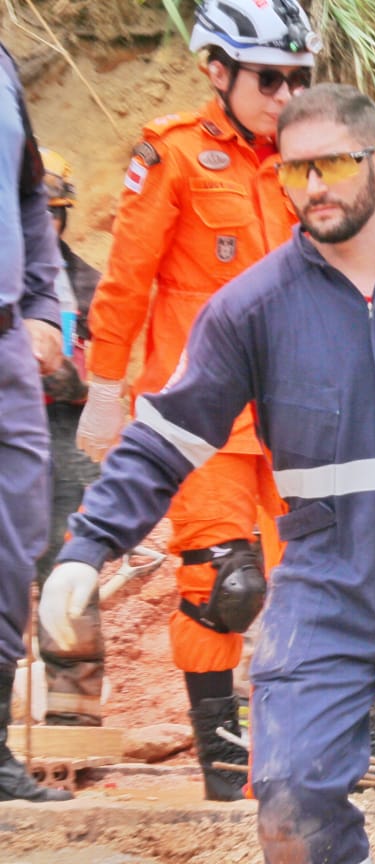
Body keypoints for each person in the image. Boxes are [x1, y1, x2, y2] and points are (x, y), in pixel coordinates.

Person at [42, 82, 375, 864]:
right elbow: (167, 439)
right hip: (326, 583)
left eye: (331, 163)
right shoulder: (251, 309)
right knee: (291, 795)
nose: (313, 187)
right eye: (296, 171)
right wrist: (87, 547)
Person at [70, 0, 318, 800]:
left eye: (298, 79)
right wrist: (106, 389)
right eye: (268, 79)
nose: (285, 96)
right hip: (201, 416)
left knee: (331, 575)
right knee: (223, 581)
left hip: (301, 410)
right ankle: (223, 761)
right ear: (218, 71)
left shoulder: (313, 160)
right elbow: (127, 275)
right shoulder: (171, 154)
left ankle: (346, 745)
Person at [0, 38, 75, 804]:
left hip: (7, 341)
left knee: (19, 538)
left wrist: (43, 305)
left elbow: (27, 198)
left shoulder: (2, 68)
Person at [31, 148, 107, 727]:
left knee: (69, 572)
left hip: (60, 435)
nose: (47, 221)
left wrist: (66, 375)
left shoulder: (84, 283)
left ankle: (72, 720)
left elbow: (105, 378)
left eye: (55, 210)